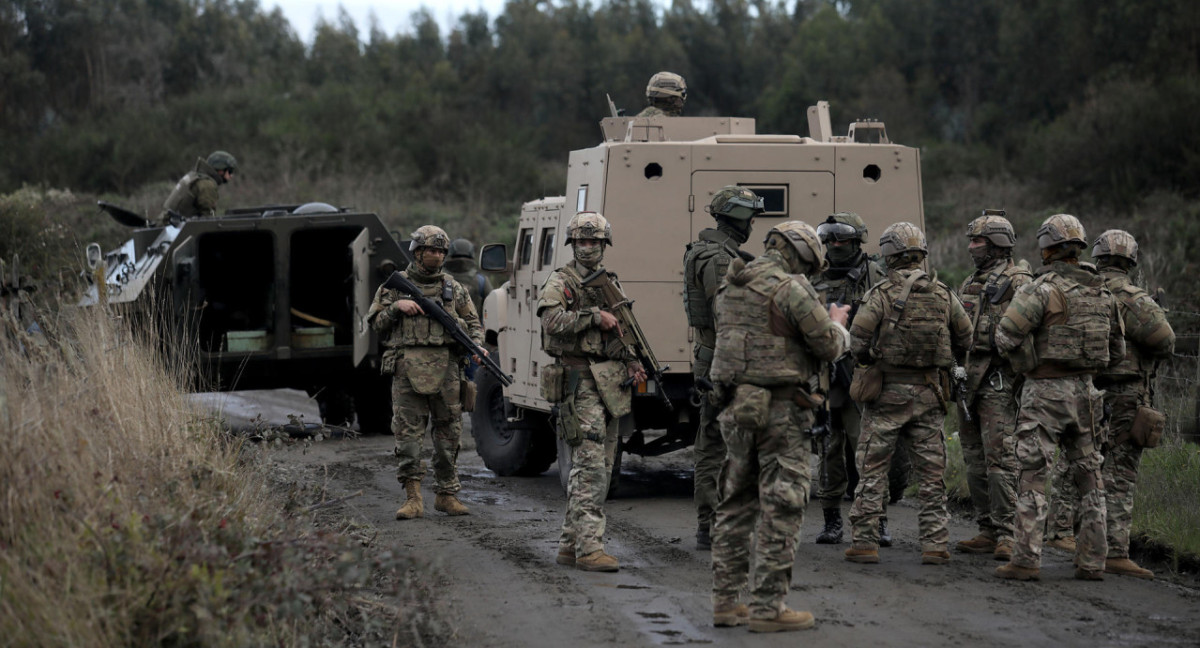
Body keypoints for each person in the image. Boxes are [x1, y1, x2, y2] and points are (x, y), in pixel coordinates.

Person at [709, 221, 851, 632]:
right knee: (782, 505)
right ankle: (768, 608)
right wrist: (838, 321)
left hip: (737, 408)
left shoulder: (731, 285)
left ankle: (726, 602)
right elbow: (827, 345)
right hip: (783, 411)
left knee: (735, 505)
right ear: (800, 256)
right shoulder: (791, 288)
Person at [993, 213, 1125, 581]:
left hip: (1045, 393)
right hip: (1086, 394)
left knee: (1033, 475)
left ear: (1047, 248)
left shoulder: (1041, 289)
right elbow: (1117, 352)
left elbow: (1004, 337)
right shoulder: (1104, 293)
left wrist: (1027, 360)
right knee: (1090, 476)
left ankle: (1025, 560)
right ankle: (1093, 561)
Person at [844, 222, 972, 566]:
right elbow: (966, 337)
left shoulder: (880, 294)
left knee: (872, 470)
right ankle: (935, 544)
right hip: (930, 394)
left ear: (888, 256)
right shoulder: (944, 293)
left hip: (886, 394)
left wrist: (870, 357)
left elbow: (856, 341)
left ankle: (865, 542)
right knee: (931, 474)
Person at [538, 212, 646, 573]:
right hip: (579, 380)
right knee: (590, 467)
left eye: (594, 242)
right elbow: (551, 321)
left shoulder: (608, 282)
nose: (588, 248)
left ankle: (570, 546)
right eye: (582, 242)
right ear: (572, 244)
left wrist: (631, 360)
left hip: (608, 382)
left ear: (604, 245)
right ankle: (589, 548)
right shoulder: (561, 280)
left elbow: (619, 333)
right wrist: (592, 317)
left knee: (602, 462)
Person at [367, 225, 482, 520]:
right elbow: (375, 323)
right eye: (430, 250)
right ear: (417, 252)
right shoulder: (394, 287)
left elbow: (474, 325)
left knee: (449, 436)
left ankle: (446, 494)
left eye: (441, 251)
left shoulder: (454, 288)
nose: (436, 255)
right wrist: (397, 308)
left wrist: (478, 348)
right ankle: (413, 497)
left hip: (447, 371)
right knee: (407, 436)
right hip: (407, 370)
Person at [1089, 230, 1175, 579]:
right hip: (1124, 395)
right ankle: (1115, 551)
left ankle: (1083, 543)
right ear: (1131, 261)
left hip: (1083, 389)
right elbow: (1165, 339)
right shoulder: (1130, 296)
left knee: (1085, 467)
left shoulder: (1083, 289)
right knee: (1120, 474)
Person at [682, 186, 761, 550]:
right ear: (739, 219)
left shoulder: (713, 251)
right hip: (723, 358)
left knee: (717, 442)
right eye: (751, 218)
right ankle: (712, 526)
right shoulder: (717, 259)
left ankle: (714, 525)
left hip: (712, 355)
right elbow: (724, 314)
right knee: (719, 444)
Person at [953, 211, 1033, 561]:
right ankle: (986, 528)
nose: (971, 247)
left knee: (1001, 460)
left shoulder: (1020, 281)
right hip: (968, 380)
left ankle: (1008, 532)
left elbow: (1026, 334)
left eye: (978, 241)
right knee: (974, 460)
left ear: (998, 244)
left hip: (999, 379)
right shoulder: (971, 281)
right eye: (972, 240)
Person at [809, 211, 887, 546]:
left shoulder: (874, 274)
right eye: (830, 239)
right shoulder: (815, 277)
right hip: (826, 377)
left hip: (861, 374)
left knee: (867, 452)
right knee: (829, 450)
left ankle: (876, 521)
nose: (834, 245)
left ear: (857, 241)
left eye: (841, 239)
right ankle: (831, 521)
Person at [445, 238, 495, 380]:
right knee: (472, 383)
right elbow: (492, 306)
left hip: (444, 341)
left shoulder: (440, 277)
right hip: (472, 340)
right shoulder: (480, 281)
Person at [159, 151, 237, 224]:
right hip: (174, 229)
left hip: (167, 225)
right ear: (220, 170)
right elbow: (209, 219)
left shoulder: (194, 176)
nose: (231, 176)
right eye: (230, 171)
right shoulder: (207, 184)